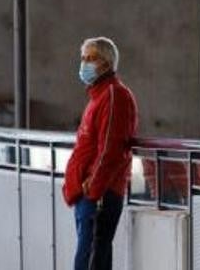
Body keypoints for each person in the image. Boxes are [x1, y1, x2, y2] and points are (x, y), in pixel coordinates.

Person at [63, 37, 139, 270]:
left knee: (88, 261)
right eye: (83, 58)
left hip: (99, 193)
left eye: (91, 58)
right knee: (94, 260)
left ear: (106, 63)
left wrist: (93, 189)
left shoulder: (114, 95)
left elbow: (110, 149)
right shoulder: (99, 96)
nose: (84, 64)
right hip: (88, 193)